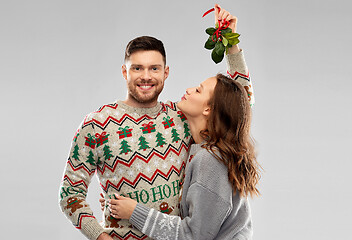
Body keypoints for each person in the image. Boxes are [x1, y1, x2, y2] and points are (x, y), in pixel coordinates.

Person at [59, 4, 254, 240]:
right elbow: (70, 194)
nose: (146, 76)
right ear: (124, 72)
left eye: (154, 68)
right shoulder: (96, 125)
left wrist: (231, 44)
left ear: (166, 72)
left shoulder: (181, 119)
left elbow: (237, 103)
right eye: (137, 68)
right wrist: (101, 237)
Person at [105, 73, 261, 240]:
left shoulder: (210, 160)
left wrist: (134, 212)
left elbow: (194, 236)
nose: (188, 90)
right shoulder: (201, 148)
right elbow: (239, 101)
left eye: (198, 90)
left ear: (208, 109)